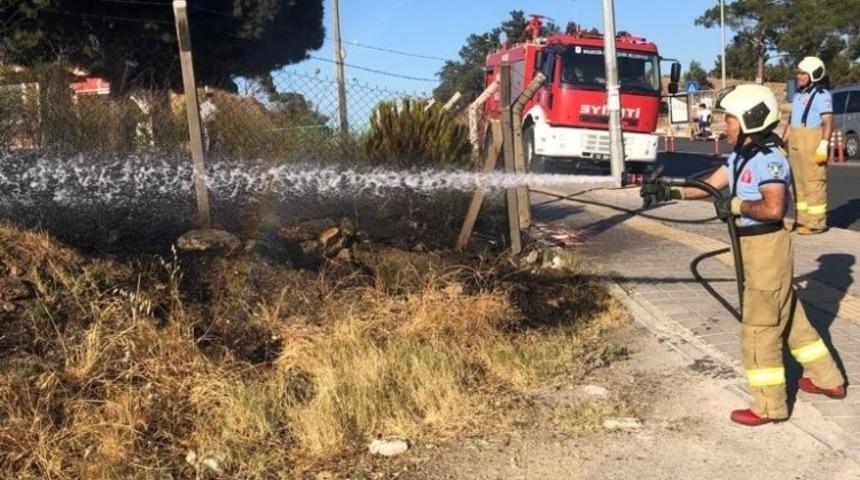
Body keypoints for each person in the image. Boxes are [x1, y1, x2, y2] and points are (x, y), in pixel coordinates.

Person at [641, 84, 846, 426]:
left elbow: (774, 207)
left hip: (766, 246)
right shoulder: (740, 156)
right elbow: (708, 186)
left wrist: (736, 205)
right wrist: (668, 190)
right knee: (792, 319)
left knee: (758, 329)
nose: (725, 126)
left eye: (731, 120)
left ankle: (769, 406)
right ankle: (829, 380)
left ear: (751, 121)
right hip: (754, 247)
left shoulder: (769, 161)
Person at [783, 56, 833, 234]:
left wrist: (823, 145)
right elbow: (790, 122)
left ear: (814, 75)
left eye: (803, 73)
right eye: (798, 73)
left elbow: (828, 122)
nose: (799, 76)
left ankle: (816, 223)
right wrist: (783, 143)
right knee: (797, 184)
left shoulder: (822, 95)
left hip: (812, 142)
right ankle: (801, 220)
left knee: (813, 183)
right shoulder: (798, 95)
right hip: (796, 141)